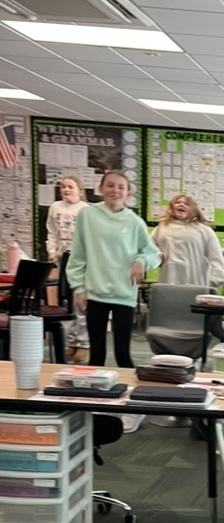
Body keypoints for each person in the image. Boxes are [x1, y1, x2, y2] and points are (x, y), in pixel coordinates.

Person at [67, 172, 160, 432]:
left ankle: (134, 407)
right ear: (100, 188)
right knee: (96, 354)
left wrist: (141, 261)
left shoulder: (135, 222)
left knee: (122, 354)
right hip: (95, 293)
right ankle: (94, 406)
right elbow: (78, 256)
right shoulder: (87, 216)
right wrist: (78, 288)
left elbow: (153, 253)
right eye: (110, 185)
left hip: (123, 295)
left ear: (128, 193)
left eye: (121, 187)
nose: (115, 191)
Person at [46, 176, 89, 362]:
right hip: (64, 258)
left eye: (70, 186)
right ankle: (71, 342)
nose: (66, 190)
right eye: (63, 187)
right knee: (67, 302)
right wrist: (52, 250)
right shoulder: (55, 207)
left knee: (81, 301)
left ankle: (84, 343)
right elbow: (51, 232)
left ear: (80, 191)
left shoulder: (86, 210)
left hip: (82, 259)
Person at [152, 194, 224, 288]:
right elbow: (149, 247)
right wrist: (157, 256)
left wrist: (213, 282)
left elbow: (216, 258)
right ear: (171, 207)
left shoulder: (204, 230)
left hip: (196, 284)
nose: (181, 205)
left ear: (193, 210)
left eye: (186, 204)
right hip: (168, 282)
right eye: (178, 202)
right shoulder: (161, 229)